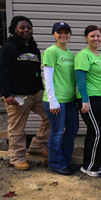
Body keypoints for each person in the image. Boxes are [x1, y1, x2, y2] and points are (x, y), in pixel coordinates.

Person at [0, 16, 50, 171]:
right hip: (17, 95)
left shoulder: (34, 47)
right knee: (17, 128)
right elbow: (3, 71)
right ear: (15, 29)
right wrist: (7, 94)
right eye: (22, 27)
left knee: (52, 116)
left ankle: (37, 145)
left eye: (29, 27)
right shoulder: (8, 48)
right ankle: (16, 158)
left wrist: (41, 89)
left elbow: (36, 72)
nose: (26, 30)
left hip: (36, 93)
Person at [42, 22, 79, 175]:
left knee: (72, 129)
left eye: (66, 32)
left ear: (70, 35)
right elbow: (48, 78)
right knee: (57, 132)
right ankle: (56, 164)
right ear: (54, 35)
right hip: (56, 100)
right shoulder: (51, 51)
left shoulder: (70, 54)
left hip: (70, 99)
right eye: (59, 32)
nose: (63, 35)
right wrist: (53, 100)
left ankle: (66, 160)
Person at [75, 25, 101, 178]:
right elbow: (80, 78)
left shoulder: (99, 55)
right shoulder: (84, 55)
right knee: (97, 132)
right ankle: (89, 166)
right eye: (92, 36)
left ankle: (97, 163)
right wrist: (85, 100)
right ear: (86, 38)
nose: (96, 39)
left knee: (99, 132)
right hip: (91, 99)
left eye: (98, 36)